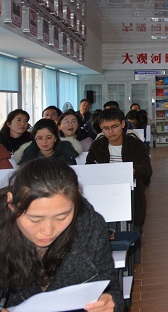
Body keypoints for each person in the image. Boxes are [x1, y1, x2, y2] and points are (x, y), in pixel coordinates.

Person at [0, 158, 122, 311]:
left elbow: (110, 286)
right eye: (35, 219)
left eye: (62, 217)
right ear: (11, 203)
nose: (48, 231)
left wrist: (109, 303)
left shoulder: (90, 226)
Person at [87, 108, 152, 229]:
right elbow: (89, 170)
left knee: (131, 231)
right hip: (103, 195)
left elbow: (146, 170)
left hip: (131, 195)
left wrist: (130, 171)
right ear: (101, 127)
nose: (111, 131)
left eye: (114, 126)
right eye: (106, 128)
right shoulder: (97, 146)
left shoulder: (135, 144)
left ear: (122, 124)